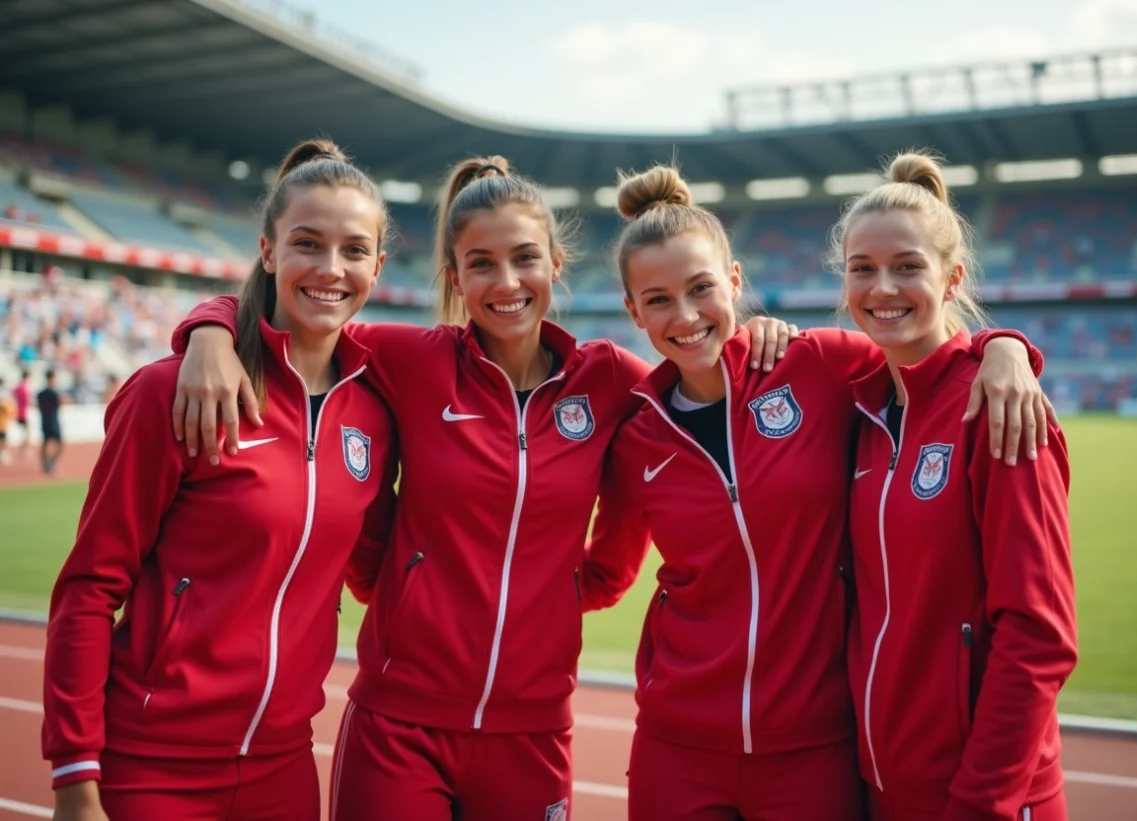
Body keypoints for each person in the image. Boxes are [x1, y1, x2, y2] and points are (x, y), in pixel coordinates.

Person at [166, 156, 801, 821]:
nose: (506, 283)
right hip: (400, 721)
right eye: (481, 263)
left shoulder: (609, 378)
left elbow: (696, 376)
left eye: (524, 258)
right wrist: (209, 326)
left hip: (531, 729)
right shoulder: (411, 360)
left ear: (556, 264)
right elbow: (306, 318)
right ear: (455, 277)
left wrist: (758, 333)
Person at [597, 164, 1052, 821]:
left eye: (702, 288)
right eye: (659, 299)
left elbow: (930, 354)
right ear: (632, 310)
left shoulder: (818, 365)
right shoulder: (634, 432)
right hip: (679, 739)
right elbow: (607, 569)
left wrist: (1005, 346)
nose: (687, 315)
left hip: (815, 745)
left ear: (734, 282)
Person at [41, 138, 399, 821]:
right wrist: (75, 778)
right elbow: (89, 588)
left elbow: (376, 569)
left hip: (284, 768)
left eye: (354, 250)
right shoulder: (171, 393)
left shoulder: (375, 413)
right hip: (152, 765)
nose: (330, 268)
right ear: (268, 252)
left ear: (378, 267)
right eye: (307, 243)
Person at [838, 153, 1077, 821]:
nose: (883, 286)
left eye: (908, 266)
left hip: (983, 797)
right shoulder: (861, 413)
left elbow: (1038, 633)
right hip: (884, 786)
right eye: (863, 268)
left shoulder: (998, 407)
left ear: (952, 278)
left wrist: (982, 801)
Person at [36, 371, 65, 475]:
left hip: (44, 420)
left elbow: (38, 406)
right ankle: (51, 463)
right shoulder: (54, 393)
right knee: (60, 443)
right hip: (53, 420)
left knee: (45, 441)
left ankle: (45, 463)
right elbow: (62, 402)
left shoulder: (40, 393)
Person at [0, 379, 14, 466]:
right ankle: (3, 455)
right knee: (3, 439)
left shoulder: (4, 394)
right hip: (2, 422)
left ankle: (3, 455)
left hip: (3, 421)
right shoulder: (4, 395)